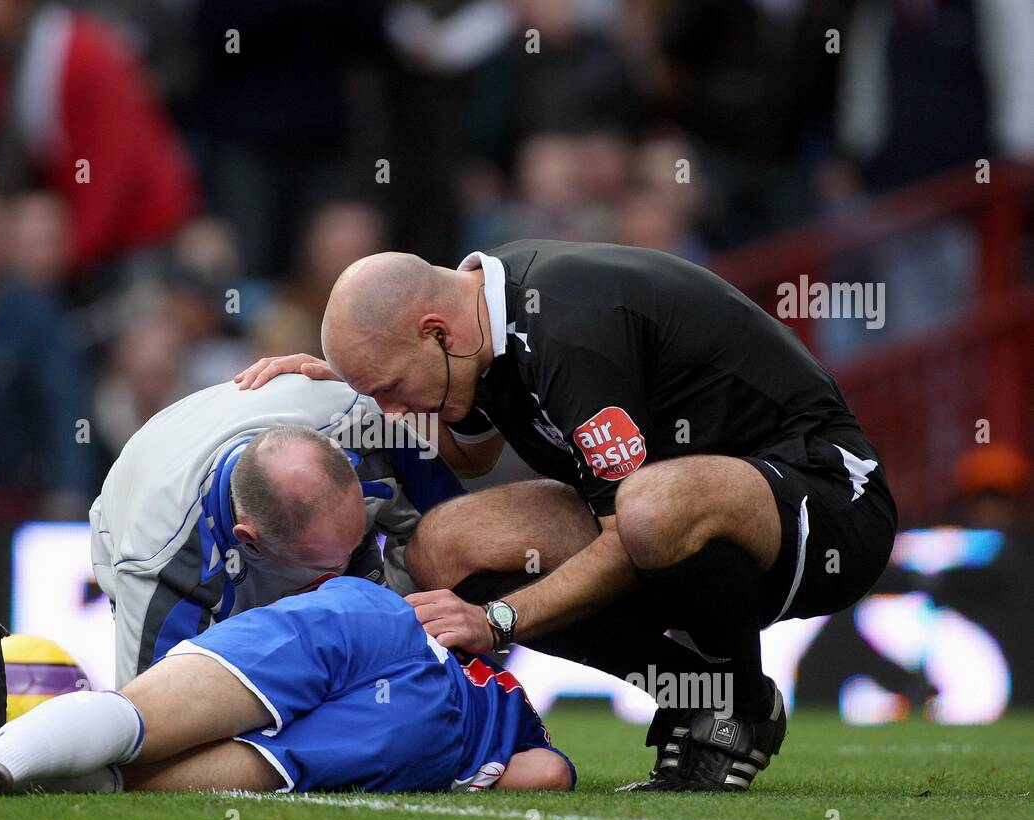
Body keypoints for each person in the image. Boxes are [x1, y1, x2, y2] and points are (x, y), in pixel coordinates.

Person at [237, 239, 898, 792]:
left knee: (646, 506)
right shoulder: (481, 321)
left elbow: (623, 530)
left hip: (830, 497)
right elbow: (473, 453)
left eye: (390, 390)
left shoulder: (565, 327)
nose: (395, 412)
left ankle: (740, 707)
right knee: (446, 545)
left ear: (434, 332)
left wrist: (499, 620)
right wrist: (346, 386)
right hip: (687, 515)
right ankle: (700, 692)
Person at [0, 577, 575, 796]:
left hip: (368, 613)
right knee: (201, 771)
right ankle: (5, 773)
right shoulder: (514, 719)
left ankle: (5, 756)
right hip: (429, 729)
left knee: (140, 714)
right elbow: (546, 773)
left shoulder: (433, 611)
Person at [91, 376, 464, 688]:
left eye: (358, 540)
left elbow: (464, 540)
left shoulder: (368, 423)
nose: (340, 577)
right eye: (330, 561)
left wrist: (417, 623)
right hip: (137, 508)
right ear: (249, 538)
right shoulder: (157, 562)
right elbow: (150, 726)